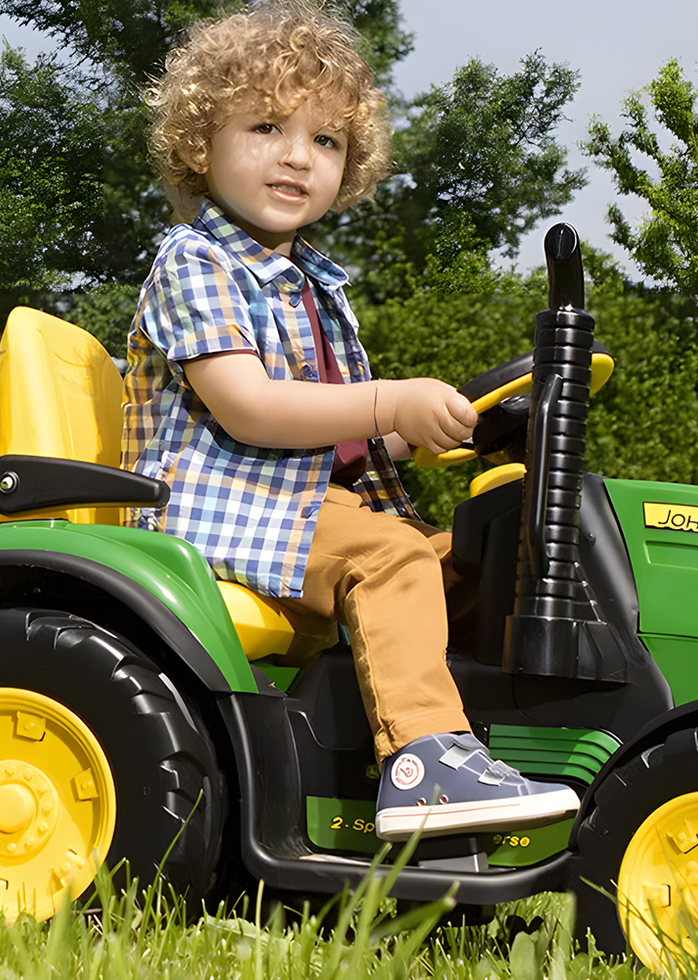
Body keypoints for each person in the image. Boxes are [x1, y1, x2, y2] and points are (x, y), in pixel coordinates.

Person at [121, 0, 579, 840]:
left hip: (311, 515)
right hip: (224, 514)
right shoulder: (195, 263)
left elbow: (343, 439)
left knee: (481, 552)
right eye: (265, 127)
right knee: (393, 553)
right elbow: (252, 407)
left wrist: (442, 427)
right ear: (200, 143)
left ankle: (479, 752)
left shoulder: (317, 287)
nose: (297, 156)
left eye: (325, 140)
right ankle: (425, 765)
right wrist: (386, 399)